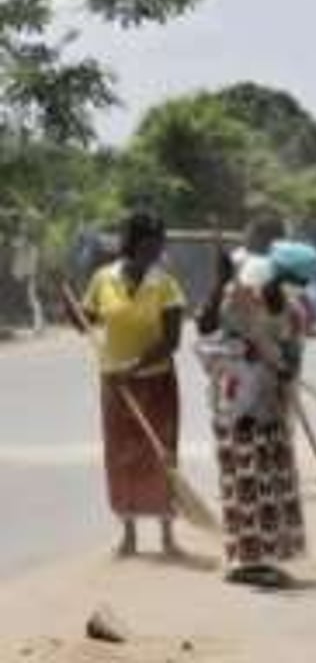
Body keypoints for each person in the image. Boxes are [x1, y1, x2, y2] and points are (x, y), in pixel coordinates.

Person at [195, 242, 316, 586]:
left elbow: (293, 361)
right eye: (288, 280)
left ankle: (268, 557)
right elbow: (206, 333)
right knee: (243, 482)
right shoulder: (237, 299)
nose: (292, 288)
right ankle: (246, 561)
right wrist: (219, 283)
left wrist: (280, 366)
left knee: (272, 485)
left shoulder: (294, 312)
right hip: (235, 407)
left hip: (272, 408)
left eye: (297, 283)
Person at [72, 211, 185, 559]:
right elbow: (84, 322)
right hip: (116, 386)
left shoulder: (165, 284)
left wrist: (133, 368)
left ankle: (167, 534)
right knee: (122, 457)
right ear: (132, 244)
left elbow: (171, 340)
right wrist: (70, 305)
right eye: (150, 245)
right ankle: (129, 535)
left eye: (160, 245)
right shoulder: (102, 279)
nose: (156, 252)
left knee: (161, 454)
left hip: (156, 382)